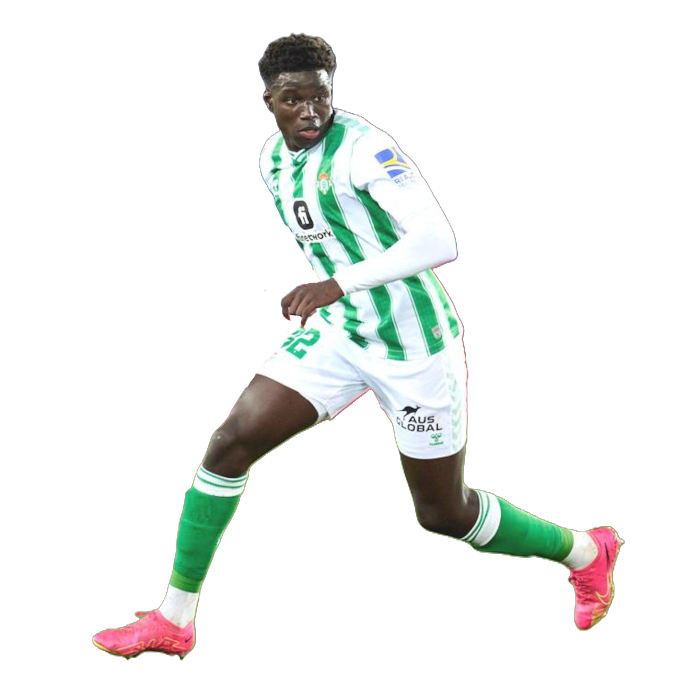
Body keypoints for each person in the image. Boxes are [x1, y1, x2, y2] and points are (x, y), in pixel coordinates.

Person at [92, 33, 624, 659]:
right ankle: (175, 619)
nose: (311, 111)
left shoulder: (366, 149)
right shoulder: (271, 158)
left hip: (414, 345)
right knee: (229, 444)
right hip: (343, 331)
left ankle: (585, 551)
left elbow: (439, 240)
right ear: (269, 101)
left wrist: (335, 285)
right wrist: (336, 295)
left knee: (442, 513)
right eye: (294, 100)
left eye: (321, 96)